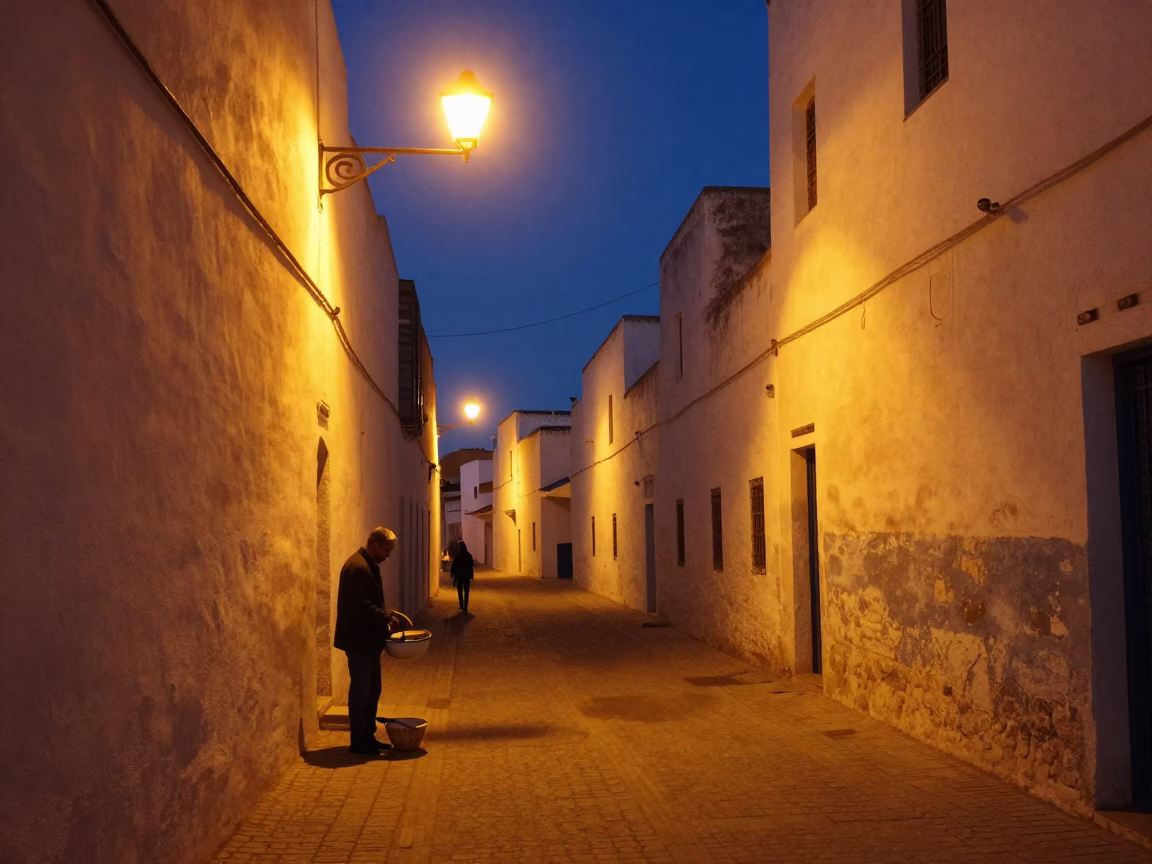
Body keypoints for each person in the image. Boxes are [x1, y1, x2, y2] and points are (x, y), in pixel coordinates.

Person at [333, 527, 402, 754]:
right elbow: (360, 606)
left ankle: (367, 736)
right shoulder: (358, 568)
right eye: (386, 550)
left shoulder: (368, 565)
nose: (388, 555)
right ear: (375, 545)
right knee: (362, 691)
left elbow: (369, 601)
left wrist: (386, 613)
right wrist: (385, 616)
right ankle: (359, 741)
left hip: (368, 641)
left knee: (372, 689)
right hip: (359, 641)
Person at [451, 540, 475, 612]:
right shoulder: (469, 555)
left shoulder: (458, 556)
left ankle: (461, 604)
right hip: (466, 576)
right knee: (466, 591)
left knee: (460, 590)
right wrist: (471, 575)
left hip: (459, 576)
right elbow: (472, 565)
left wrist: (452, 573)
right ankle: (466, 606)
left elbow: (454, 565)